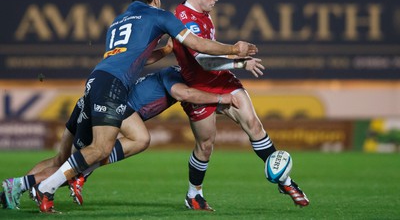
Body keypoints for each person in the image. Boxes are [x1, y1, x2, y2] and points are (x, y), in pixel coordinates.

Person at [27, 0, 257, 213]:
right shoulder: (160, 16)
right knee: (100, 148)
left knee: (138, 139)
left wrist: (166, 50)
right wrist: (233, 50)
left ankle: (32, 185)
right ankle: (46, 187)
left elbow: (139, 58)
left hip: (98, 79)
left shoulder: (118, 21)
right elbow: (197, 44)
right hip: (113, 85)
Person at [1, 65, 239, 209]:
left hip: (92, 100)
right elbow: (185, 93)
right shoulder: (176, 75)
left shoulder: (174, 74)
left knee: (62, 160)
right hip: (113, 107)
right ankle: (43, 183)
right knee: (133, 142)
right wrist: (222, 99)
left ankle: (14, 186)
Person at [171, 0, 309, 210]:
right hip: (198, 88)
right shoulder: (185, 19)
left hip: (222, 79)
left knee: (254, 125)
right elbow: (202, 60)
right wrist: (239, 61)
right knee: (205, 145)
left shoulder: (205, 14)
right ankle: (194, 194)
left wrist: (233, 64)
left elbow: (212, 54)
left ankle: (285, 181)